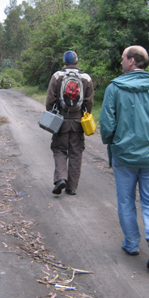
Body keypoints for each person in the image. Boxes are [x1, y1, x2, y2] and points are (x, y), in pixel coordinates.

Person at [99, 46, 149, 271]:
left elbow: (107, 124)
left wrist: (111, 142)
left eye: (123, 58)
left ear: (132, 61)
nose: (121, 62)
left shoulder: (114, 88)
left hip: (124, 157)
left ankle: (132, 244)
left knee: (126, 200)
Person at [46, 50, 94, 196]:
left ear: (64, 62)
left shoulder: (57, 76)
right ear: (77, 61)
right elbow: (89, 101)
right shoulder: (86, 78)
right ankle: (72, 187)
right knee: (76, 153)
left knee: (59, 149)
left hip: (60, 120)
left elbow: (50, 99)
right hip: (78, 120)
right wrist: (86, 115)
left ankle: (61, 178)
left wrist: (51, 113)